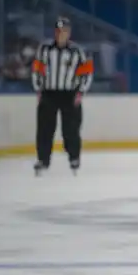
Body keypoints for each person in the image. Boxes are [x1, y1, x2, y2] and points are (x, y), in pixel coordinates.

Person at [31, 17, 93, 175]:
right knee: (45, 129)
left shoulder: (78, 51)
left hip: (70, 94)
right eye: (59, 31)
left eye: (64, 31)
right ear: (55, 32)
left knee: (71, 129)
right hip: (49, 93)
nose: (61, 34)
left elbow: (87, 73)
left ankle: (74, 157)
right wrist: (38, 89)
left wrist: (81, 92)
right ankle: (43, 160)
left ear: (69, 33)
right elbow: (37, 70)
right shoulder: (44, 49)